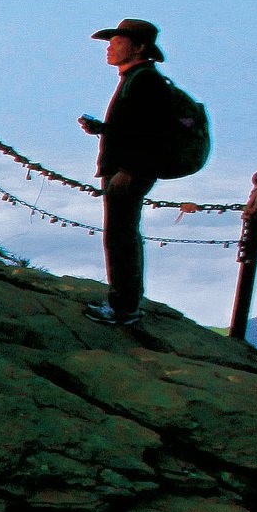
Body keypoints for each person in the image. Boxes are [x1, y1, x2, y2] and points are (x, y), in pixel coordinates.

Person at [77, 17, 179, 330]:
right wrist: (103, 129)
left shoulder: (143, 81)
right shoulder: (136, 78)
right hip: (126, 170)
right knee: (121, 235)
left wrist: (129, 170)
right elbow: (136, 129)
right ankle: (124, 303)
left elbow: (151, 134)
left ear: (138, 47)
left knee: (121, 237)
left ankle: (123, 308)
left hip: (128, 173)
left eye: (117, 41)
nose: (109, 47)